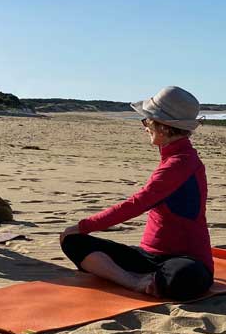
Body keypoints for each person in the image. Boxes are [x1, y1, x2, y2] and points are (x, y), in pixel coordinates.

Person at [59, 85, 213, 300]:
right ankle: (133, 281)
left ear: (163, 127)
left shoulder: (181, 163)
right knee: (72, 241)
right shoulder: (172, 157)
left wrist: (85, 225)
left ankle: (143, 280)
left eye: (146, 122)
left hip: (186, 259)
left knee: (185, 277)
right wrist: (78, 231)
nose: (145, 127)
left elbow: (135, 204)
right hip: (147, 257)